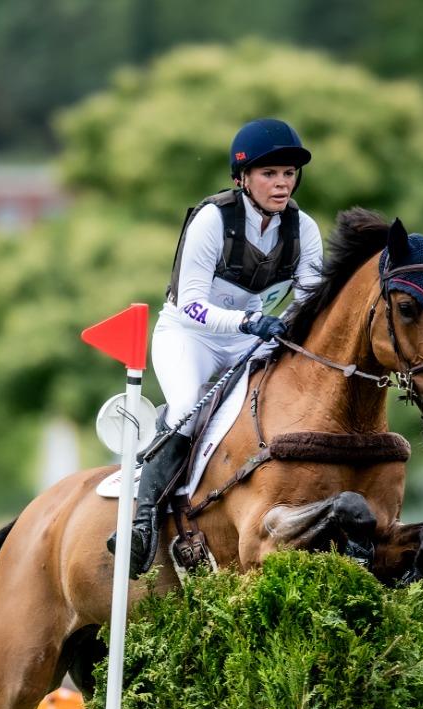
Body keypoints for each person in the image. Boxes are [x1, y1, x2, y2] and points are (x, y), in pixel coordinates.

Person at [110, 117, 325, 578]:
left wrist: (282, 326)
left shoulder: (303, 229)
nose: (282, 183)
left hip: (256, 339)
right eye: (270, 174)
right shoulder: (214, 219)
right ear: (242, 178)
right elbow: (190, 304)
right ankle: (143, 523)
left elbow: (310, 301)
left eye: (289, 173)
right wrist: (250, 321)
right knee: (189, 407)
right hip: (193, 336)